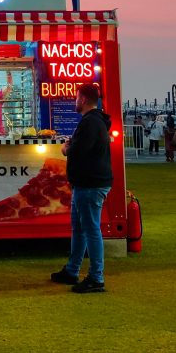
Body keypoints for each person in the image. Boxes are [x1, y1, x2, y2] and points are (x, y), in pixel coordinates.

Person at [50, 82, 113, 294]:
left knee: (91, 229)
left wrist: (66, 148)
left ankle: (96, 277)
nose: (75, 101)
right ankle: (72, 270)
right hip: (88, 183)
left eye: (76, 97)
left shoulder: (89, 123)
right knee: (81, 228)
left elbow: (78, 151)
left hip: (90, 184)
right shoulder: (98, 121)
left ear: (84, 99)